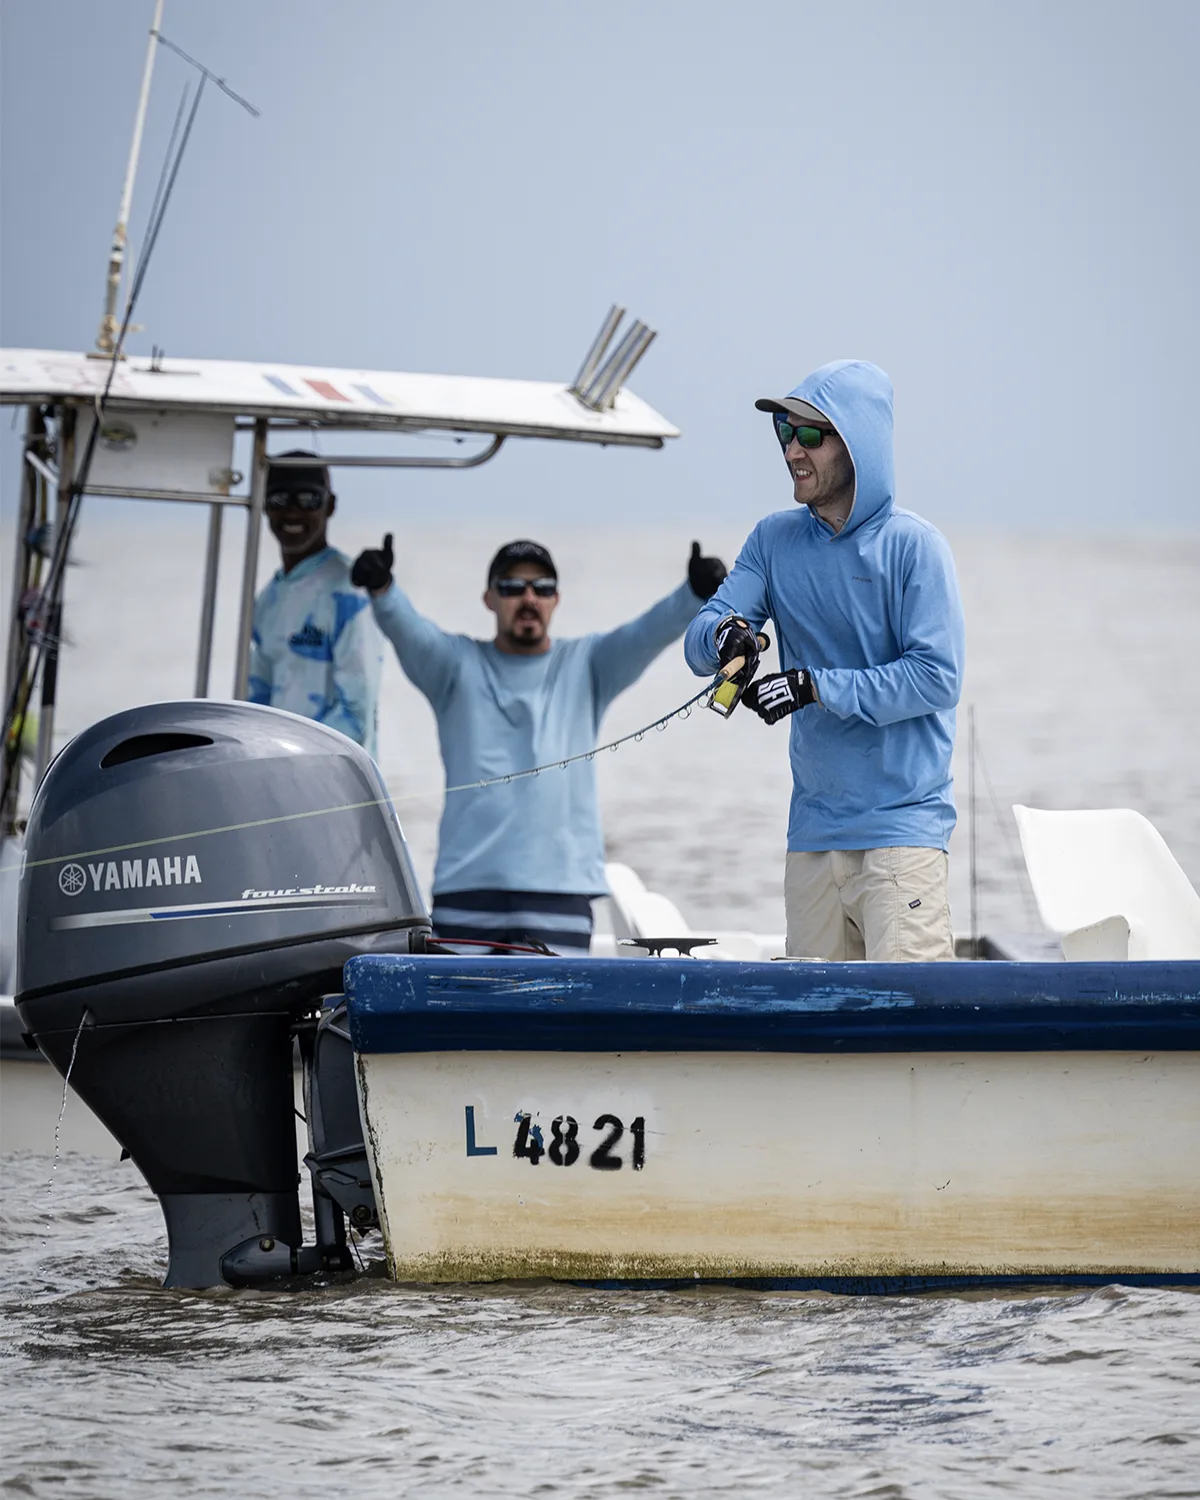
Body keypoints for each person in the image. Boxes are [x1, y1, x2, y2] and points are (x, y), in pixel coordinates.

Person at [684, 360, 964, 962]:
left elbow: (937, 679)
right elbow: (700, 634)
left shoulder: (915, 547)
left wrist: (813, 686)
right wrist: (727, 636)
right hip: (811, 839)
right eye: (784, 433)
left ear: (858, 441)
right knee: (818, 1044)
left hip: (901, 840)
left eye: (810, 434)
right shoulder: (771, 540)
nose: (792, 450)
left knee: (909, 1037)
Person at [350, 535, 728, 952]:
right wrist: (382, 589)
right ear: (489, 598)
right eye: (512, 587)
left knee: (555, 1019)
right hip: (466, 894)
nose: (528, 598)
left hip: (560, 896)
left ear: (556, 599)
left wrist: (693, 593)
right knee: (461, 1018)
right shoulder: (453, 666)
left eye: (541, 588)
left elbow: (645, 633)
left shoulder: (589, 665)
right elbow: (409, 631)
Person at [247, 452, 382, 755]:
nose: (293, 512)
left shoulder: (351, 592)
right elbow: (255, 703)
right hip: (276, 779)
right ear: (264, 504)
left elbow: (356, 715)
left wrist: (291, 760)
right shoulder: (267, 599)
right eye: (280, 499)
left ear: (330, 505)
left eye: (309, 499)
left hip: (334, 785)